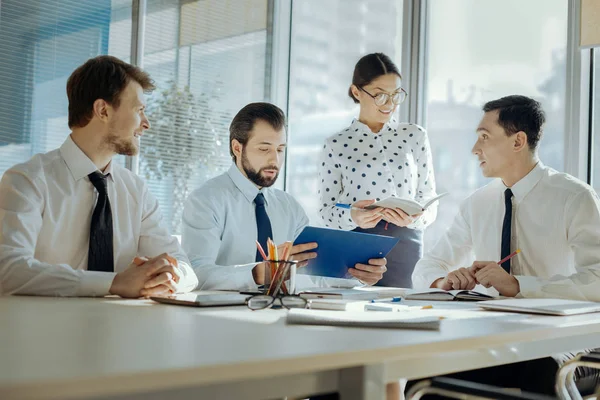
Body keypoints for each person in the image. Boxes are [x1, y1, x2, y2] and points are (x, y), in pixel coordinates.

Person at [409, 95, 600, 396]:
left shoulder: (575, 198)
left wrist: (518, 285)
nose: (475, 149)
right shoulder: (478, 203)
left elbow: (597, 280)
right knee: (425, 370)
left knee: (541, 372)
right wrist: (443, 280)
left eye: (484, 138)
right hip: (497, 338)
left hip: (565, 344)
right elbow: (427, 267)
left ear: (518, 141)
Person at [0, 55, 198, 298]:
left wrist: (169, 277)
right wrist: (113, 283)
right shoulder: (27, 180)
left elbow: (184, 267)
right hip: (44, 331)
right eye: (139, 110)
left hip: (123, 329)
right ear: (103, 110)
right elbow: (8, 271)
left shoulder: (136, 190)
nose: (146, 124)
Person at [181, 102, 388, 292]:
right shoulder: (206, 201)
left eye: (280, 149)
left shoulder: (290, 207)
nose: (275, 159)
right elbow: (197, 275)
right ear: (237, 148)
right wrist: (260, 272)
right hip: (222, 320)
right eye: (264, 149)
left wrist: (356, 275)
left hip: (281, 318)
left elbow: (313, 275)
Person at [318, 53, 439, 288]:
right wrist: (353, 215)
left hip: (407, 243)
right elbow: (326, 210)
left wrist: (416, 217)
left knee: (404, 314)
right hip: (356, 243)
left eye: (395, 95)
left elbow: (429, 197)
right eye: (380, 95)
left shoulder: (414, 135)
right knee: (356, 315)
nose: (390, 104)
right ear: (356, 92)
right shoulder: (336, 143)